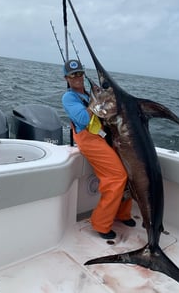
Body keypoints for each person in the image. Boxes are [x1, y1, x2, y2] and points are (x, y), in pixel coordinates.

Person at [62, 59, 135, 239]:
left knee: (129, 170)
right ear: (67, 78)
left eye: (79, 73)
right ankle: (101, 224)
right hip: (89, 141)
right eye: (73, 75)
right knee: (117, 177)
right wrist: (97, 102)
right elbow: (83, 119)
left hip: (105, 137)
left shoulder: (88, 94)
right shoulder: (69, 97)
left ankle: (122, 213)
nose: (77, 77)